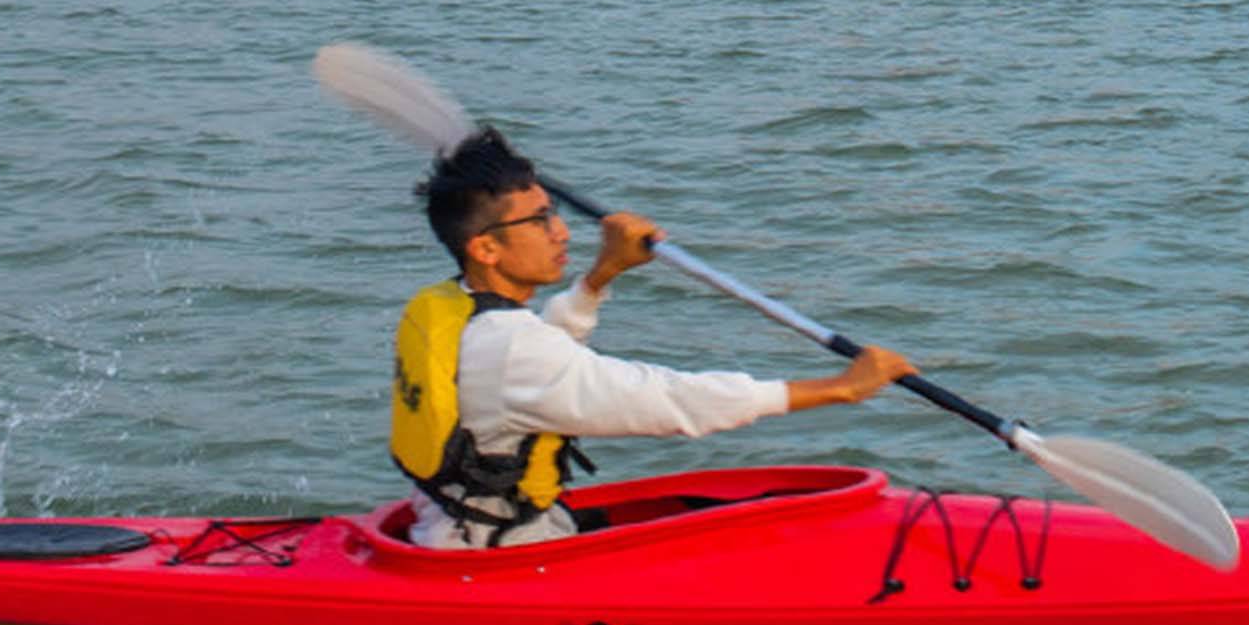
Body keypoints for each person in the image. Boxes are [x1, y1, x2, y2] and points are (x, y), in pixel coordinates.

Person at [390, 128, 912, 548]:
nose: (562, 232)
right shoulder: (510, 348)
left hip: (456, 528)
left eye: (555, 213)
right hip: (503, 550)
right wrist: (840, 388)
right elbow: (667, 401)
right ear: (486, 248)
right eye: (540, 220)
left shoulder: (452, 306)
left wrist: (600, 276)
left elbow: (533, 363)